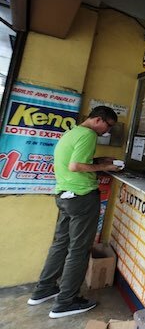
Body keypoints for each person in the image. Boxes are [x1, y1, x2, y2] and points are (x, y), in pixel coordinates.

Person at [27, 106, 122, 318]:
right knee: (78, 250)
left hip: (64, 196)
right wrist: (108, 168)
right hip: (81, 198)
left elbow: (76, 162)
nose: (106, 131)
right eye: (107, 126)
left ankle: (43, 289)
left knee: (60, 244)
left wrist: (99, 161)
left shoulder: (72, 133)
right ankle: (65, 302)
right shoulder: (88, 134)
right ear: (98, 120)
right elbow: (76, 165)